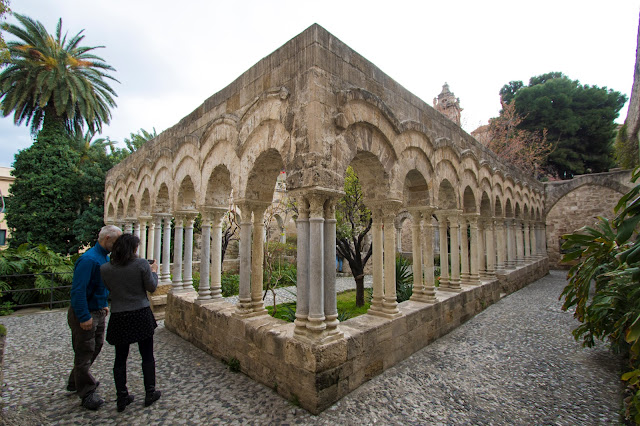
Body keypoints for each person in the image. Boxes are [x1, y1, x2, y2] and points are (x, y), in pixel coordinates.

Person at [100, 233, 161, 412]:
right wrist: (154, 272)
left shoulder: (105, 269)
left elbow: (110, 290)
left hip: (119, 315)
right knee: (147, 355)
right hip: (140, 314)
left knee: (120, 358)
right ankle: (150, 392)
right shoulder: (141, 264)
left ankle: (122, 397)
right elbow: (151, 287)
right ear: (133, 248)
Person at [67, 224, 122, 410]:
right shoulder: (89, 260)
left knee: (95, 346)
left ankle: (75, 380)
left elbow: (99, 286)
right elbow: (78, 290)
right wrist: (83, 316)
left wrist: (103, 304)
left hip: (98, 310)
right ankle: (87, 392)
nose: (117, 246)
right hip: (87, 313)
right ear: (107, 239)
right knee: (84, 351)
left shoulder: (102, 257)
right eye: (116, 242)